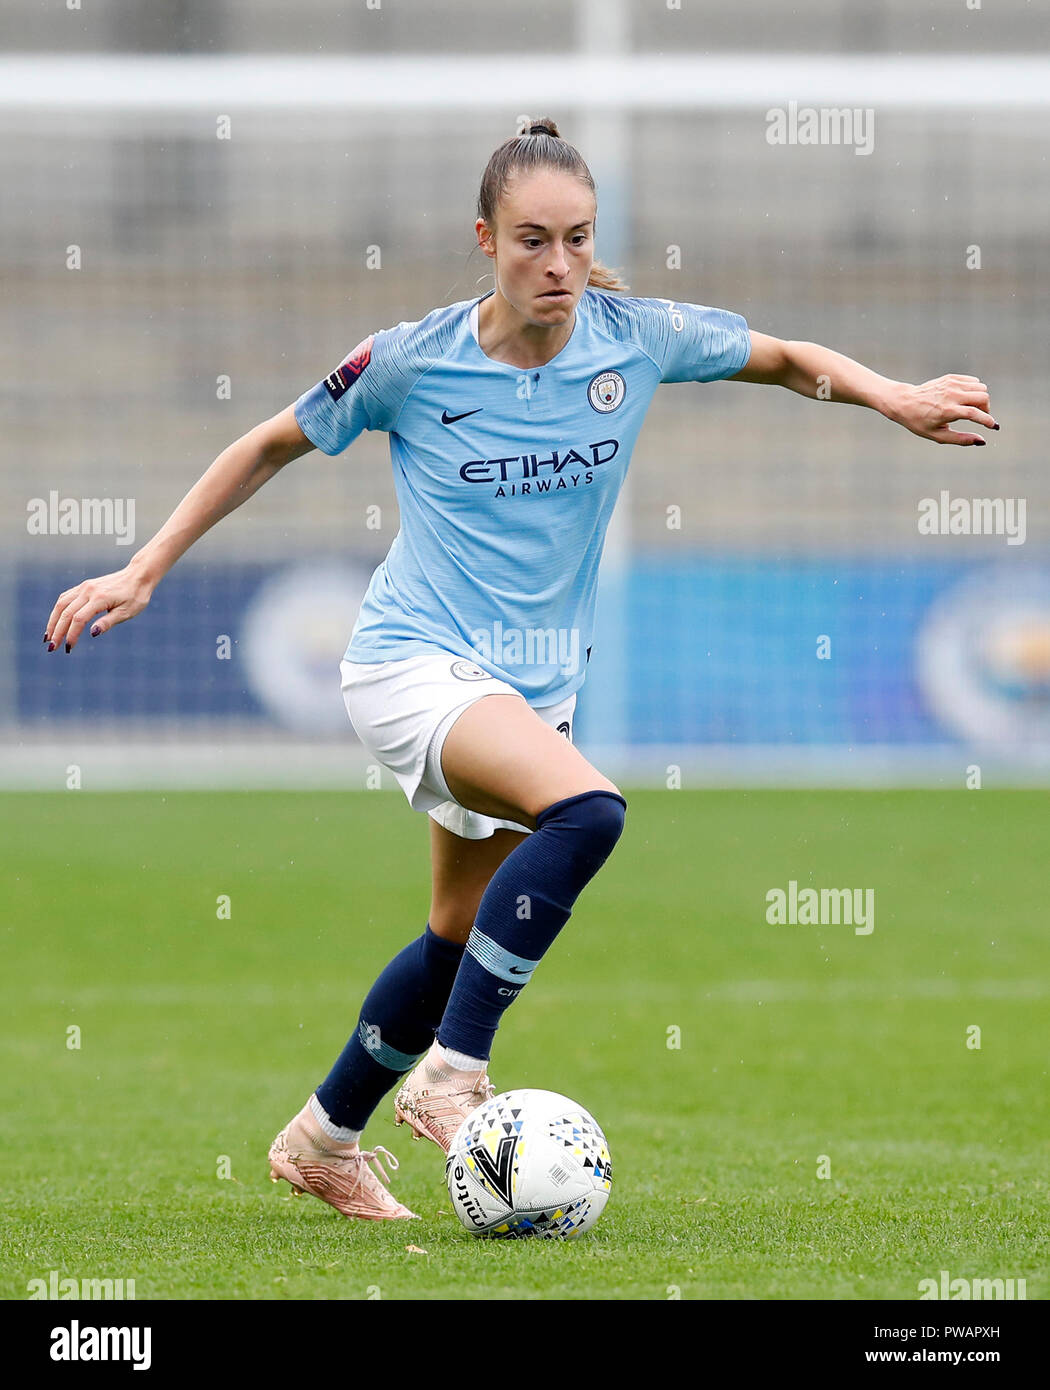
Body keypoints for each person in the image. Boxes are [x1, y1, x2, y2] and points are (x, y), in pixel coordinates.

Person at [44, 117, 997, 1223]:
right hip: (410, 665)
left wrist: (898, 397)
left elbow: (783, 358)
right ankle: (455, 1076)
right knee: (590, 813)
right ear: (485, 238)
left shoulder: (633, 338)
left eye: (579, 240)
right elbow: (269, 442)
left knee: (455, 934)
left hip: (527, 684)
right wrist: (144, 567)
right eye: (534, 240)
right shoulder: (410, 360)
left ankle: (323, 1136)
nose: (559, 266)